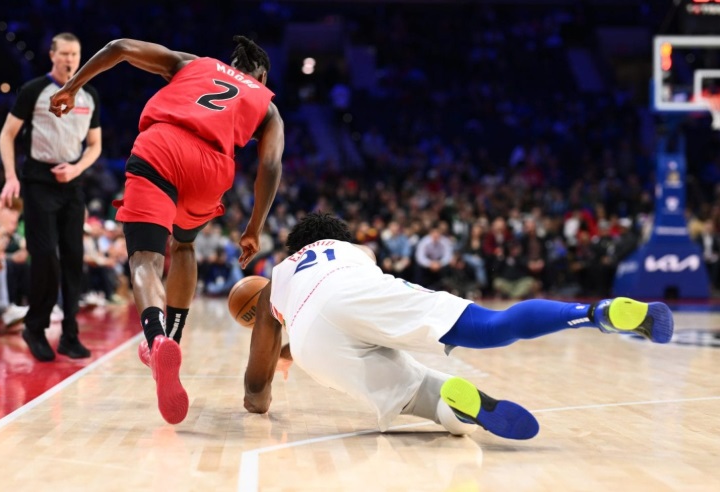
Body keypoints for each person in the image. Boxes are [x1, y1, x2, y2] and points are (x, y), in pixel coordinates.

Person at [243, 213, 674, 440]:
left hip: (313, 343)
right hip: (359, 291)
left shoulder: (273, 282)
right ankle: (594, 313)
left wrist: (275, 366)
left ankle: (448, 401)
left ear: (293, 249)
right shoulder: (358, 251)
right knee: (493, 325)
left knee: (417, 394)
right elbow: (343, 304)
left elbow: (256, 389)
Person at [49, 36, 284, 424]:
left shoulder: (195, 63)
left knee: (145, 258)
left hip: (161, 146)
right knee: (185, 245)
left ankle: (155, 338)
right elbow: (271, 166)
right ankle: (172, 337)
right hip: (211, 169)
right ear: (260, 74)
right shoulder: (268, 106)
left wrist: (71, 87)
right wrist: (253, 228)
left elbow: (120, 47)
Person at [0, 32, 102, 362]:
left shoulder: (89, 95)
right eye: (65, 53)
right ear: (52, 56)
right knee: (45, 257)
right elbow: (7, 134)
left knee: (74, 260)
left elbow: (95, 146)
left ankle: (70, 335)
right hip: (38, 180)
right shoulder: (34, 91)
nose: (70, 59)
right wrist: (11, 176)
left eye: (75, 53)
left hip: (71, 182)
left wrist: (77, 169)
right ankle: (35, 327)